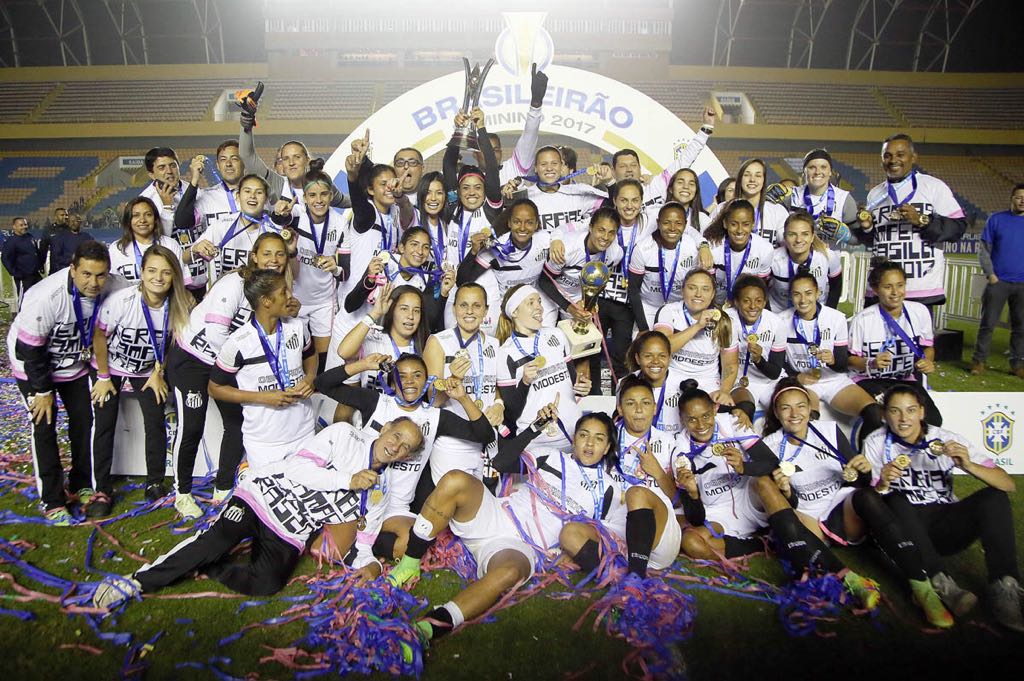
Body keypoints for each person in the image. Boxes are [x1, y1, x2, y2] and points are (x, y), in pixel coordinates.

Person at [91, 417, 426, 609]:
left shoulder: (380, 490)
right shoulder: (345, 435)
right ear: (384, 430)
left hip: (290, 530)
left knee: (266, 584)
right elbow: (297, 468)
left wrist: (371, 565)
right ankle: (136, 582)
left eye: (405, 447)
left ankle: (210, 566)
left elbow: (365, 539)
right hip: (260, 496)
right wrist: (346, 479)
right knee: (216, 540)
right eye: (396, 435)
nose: (396, 446)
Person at [387, 411, 634, 644]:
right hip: (498, 515)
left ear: (608, 446)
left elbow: (608, 540)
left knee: (509, 573)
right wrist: (535, 428)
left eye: (598, 438)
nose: (589, 443)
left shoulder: (611, 491)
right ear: (574, 438)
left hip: (521, 547)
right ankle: (409, 564)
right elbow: (501, 461)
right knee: (455, 480)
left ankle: (432, 626)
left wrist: (567, 553)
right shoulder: (551, 456)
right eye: (583, 435)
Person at [761, 379, 953, 628]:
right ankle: (853, 580)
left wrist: (863, 469)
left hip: (842, 511)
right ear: (777, 412)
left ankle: (921, 586)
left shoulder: (829, 430)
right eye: (786, 408)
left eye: (801, 406)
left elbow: (857, 478)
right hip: (808, 520)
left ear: (810, 408)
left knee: (866, 496)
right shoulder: (769, 445)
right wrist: (785, 490)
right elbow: (784, 502)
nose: (795, 414)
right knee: (789, 519)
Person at [673, 382, 883, 609]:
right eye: (691, 420)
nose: (701, 424)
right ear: (682, 421)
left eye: (705, 415)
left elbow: (771, 463)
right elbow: (695, 517)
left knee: (763, 482)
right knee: (691, 542)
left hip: (749, 496)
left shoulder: (733, 422)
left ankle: (845, 577)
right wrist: (692, 493)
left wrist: (744, 468)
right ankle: (767, 542)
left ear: (714, 410)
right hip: (720, 513)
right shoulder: (680, 451)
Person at [864, 384, 1023, 631]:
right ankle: (941, 583)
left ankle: (1005, 586)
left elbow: (1007, 484)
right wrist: (883, 481)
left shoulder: (946, 438)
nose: (903, 418)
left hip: (945, 523)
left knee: (995, 497)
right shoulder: (875, 442)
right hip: (906, 531)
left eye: (910, 410)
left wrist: (969, 465)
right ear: (884, 415)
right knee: (895, 499)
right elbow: (871, 504)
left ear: (922, 412)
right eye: (895, 411)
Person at [314, 352, 495, 561]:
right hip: (356, 498)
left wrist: (463, 398)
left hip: (395, 508)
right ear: (392, 380)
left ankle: (361, 542)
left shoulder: (435, 417)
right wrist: (363, 365)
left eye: (417, 375)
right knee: (327, 552)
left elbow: (485, 435)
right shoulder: (376, 402)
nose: (409, 380)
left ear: (427, 381)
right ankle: (352, 536)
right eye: (402, 375)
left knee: (414, 544)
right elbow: (323, 383)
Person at [168, 232, 293, 516]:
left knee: (236, 423)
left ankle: (223, 488)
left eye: (280, 254)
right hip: (194, 360)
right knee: (192, 427)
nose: (273, 260)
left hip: (225, 362)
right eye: (267, 254)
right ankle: (182, 492)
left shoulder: (276, 289)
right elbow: (216, 336)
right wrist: (245, 369)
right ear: (254, 257)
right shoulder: (235, 283)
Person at [6, 241, 127, 525]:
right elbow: (29, 349)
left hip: (74, 363)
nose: (94, 282)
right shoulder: (46, 295)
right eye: (86, 274)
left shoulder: (118, 286)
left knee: (84, 420)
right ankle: (51, 499)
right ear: (72, 269)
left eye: (100, 275)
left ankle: (81, 483)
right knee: (44, 425)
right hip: (33, 364)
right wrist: (43, 390)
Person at [88, 245, 193, 516]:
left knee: (155, 421)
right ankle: (101, 488)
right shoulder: (121, 301)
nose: (158, 278)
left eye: (166, 272)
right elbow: (100, 336)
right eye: (152, 271)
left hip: (148, 369)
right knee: (104, 422)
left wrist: (159, 373)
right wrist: (102, 376)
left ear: (174, 276)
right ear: (142, 272)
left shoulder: (179, 305)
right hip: (109, 366)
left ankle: (154, 480)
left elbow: (173, 344)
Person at [209, 269, 317, 470]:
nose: (290, 296)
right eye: (283, 292)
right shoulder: (238, 343)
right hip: (264, 441)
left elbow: (310, 355)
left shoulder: (298, 327)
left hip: (304, 431)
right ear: (266, 301)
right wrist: (263, 397)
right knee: (270, 499)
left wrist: (309, 378)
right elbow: (214, 388)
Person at [854, 134, 966, 308]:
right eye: (887, 155)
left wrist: (922, 221)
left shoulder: (934, 187)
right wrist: (867, 228)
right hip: (881, 289)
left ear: (913, 157)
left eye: (900, 154)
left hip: (919, 289)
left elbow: (958, 228)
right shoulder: (875, 194)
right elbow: (875, 241)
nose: (893, 160)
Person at [780, 272, 882, 447]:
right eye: (797, 294)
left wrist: (833, 360)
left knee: (873, 413)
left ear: (818, 293)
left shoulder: (835, 318)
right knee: (809, 419)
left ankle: (864, 461)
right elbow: (779, 361)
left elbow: (842, 365)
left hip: (833, 380)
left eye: (808, 293)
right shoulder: (781, 320)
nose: (803, 300)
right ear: (791, 296)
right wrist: (796, 376)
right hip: (805, 383)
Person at [269, 160, 347, 371]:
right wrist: (280, 210)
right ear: (304, 198)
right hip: (296, 298)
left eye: (324, 195)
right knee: (295, 355)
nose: (318, 200)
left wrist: (336, 268)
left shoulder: (340, 225)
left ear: (331, 196)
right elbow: (279, 218)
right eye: (312, 195)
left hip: (324, 301)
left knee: (323, 360)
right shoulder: (298, 216)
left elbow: (345, 272)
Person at [423, 283, 503, 487]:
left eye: (476, 306)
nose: (469, 311)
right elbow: (433, 401)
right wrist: (453, 379)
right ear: (454, 308)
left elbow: (494, 387)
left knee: (484, 507)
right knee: (451, 507)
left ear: (486, 310)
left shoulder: (494, 344)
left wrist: (499, 404)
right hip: (453, 443)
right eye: (463, 305)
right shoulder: (438, 342)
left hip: (487, 439)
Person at [496, 284, 588, 450]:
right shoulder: (505, 353)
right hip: (537, 442)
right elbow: (511, 413)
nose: (539, 307)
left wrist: (582, 386)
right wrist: (525, 382)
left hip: (573, 433)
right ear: (515, 312)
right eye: (531, 303)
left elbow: (572, 382)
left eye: (539, 301)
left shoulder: (557, 334)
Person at [849, 261, 941, 424]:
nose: (895, 292)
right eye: (888, 287)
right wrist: (871, 363)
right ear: (876, 290)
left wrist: (927, 361)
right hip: (869, 381)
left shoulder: (919, 312)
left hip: (905, 380)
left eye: (900, 285)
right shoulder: (862, 319)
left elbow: (928, 348)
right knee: (883, 417)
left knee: (932, 419)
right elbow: (850, 360)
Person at [653, 269, 746, 423]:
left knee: (733, 419)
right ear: (683, 290)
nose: (698, 294)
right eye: (692, 288)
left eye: (705, 289)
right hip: (672, 377)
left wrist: (724, 391)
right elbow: (661, 350)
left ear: (713, 293)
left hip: (708, 381)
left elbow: (730, 364)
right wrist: (697, 326)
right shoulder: (669, 311)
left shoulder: (724, 321)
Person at [456, 199, 558, 326]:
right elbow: (461, 281)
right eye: (516, 222)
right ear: (509, 223)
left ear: (537, 224)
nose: (522, 227)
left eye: (529, 223)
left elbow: (565, 232)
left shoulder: (545, 240)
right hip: (507, 304)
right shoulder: (496, 246)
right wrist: (473, 252)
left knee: (549, 318)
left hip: (534, 299)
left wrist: (557, 240)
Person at [335, 284, 433, 390]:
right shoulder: (373, 340)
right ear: (391, 311)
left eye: (416, 311)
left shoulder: (428, 348)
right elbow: (343, 352)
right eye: (404, 309)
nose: (410, 316)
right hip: (371, 406)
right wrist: (374, 314)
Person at [184, 174, 279, 282]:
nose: (252, 196)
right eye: (247, 191)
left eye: (259, 192)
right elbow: (185, 258)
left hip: (259, 295)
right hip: (223, 296)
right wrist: (195, 249)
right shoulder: (222, 225)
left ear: (266, 199)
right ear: (238, 196)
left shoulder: (273, 231)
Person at [973, 183, 1024, 377]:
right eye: (1019, 197)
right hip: (998, 282)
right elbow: (984, 249)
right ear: (1012, 198)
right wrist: (991, 275)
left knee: (1021, 327)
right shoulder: (996, 219)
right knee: (988, 324)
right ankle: (979, 361)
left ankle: (1017, 364)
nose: (1022, 201)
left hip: (1022, 285)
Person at [627, 202, 701, 330]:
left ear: (685, 223)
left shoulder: (692, 246)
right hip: (649, 308)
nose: (672, 228)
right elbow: (633, 291)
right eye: (666, 222)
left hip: (680, 307)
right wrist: (643, 328)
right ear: (658, 222)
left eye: (678, 223)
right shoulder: (642, 248)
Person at [726, 275, 787, 421]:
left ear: (765, 301)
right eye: (746, 301)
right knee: (744, 409)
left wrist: (759, 360)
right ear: (736, 302)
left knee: (787, 408)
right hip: (738, 380)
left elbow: (774, 373)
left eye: (758, 301)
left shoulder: (776, 323)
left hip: (769, 381)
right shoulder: (727, 320)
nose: (753, 306)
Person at [769, 149, 857, 247]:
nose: (818, 172)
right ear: (804, 172)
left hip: (829, 260)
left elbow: (859, 240)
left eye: (823, 167)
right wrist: (767, 199)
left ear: (830, 172)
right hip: (794, 260)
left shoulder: (843, 199)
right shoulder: (791, 196)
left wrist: (844, 234)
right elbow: (769, 225)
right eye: (812, 167)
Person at [767, 210, 842, 312]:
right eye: (792, 234)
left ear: (812, 237)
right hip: (779, 314)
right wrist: (768, 315)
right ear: (784, 237)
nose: (798, 240)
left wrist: (828, 314)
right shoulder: (772, 258)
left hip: (816, 314)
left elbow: (836, 287)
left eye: (805, 234)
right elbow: (760, 288)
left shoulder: (828, 257)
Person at [108, 197, 192, 285]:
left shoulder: (170, 245)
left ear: (155, 219)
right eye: (136, 215)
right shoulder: (116, 249)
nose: (142, 220)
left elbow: (180, 283)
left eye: (148, 215)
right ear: (128, 220)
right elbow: (112, 286)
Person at [704, 199, 773, 305]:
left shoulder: (765, 249)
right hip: (715, 305)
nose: (740, 230)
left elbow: (760, 289)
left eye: (745, 224)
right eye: (734, 224)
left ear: (753, 224)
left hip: (745, 307)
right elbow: (707, 286)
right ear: (725, 224)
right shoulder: (713, 247)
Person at [623, 330, 686, 434]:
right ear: (638, 359)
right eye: (648, 356)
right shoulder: (625, 383)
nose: (656, 361)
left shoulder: (683, 385)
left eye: (662, 356)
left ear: (670, 358)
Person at [732, 158, 789, 244]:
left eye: (758, 175)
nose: (752, 179)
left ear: (764, 180)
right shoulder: (723, 209)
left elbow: (789, 244)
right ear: (740, 178)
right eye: (747, 175)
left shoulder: (777, 211)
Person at [139, 147, 185, 236]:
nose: (169, 171)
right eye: (162, 167)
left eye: (173, 165)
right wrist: (167, 207)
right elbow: (156, 238)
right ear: (152, 175)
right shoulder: (145, 201)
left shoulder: (193, 189)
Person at [2, 216, 43, 308]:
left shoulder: (30, 237)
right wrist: (15, 273)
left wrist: (40, 266)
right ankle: (22, 321)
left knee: (40, 296)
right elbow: (5, 258)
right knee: (24, 300)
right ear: (14, 227)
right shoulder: (11, 241)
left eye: (25, 224)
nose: (24, 227)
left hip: (35, 275)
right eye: (21, 225)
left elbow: (35, 252)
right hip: (23, 277)